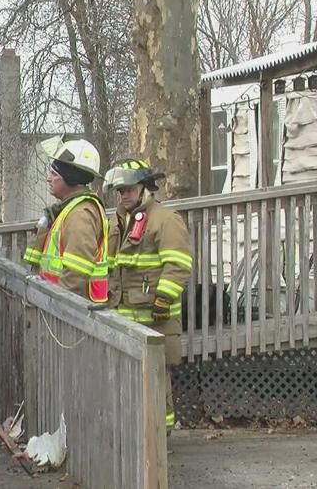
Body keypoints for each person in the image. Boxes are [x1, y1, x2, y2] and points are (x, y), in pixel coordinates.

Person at [103, 158, 192, 433]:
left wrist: (163, 298)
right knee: (126, 382)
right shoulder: (117, 222)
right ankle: (134, 435)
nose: (124, 195)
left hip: (155, 321)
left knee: (156, 381)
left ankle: (159, 439)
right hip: (123, 319)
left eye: (128, 189)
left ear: (145, 189)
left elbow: (178, 264)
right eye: (120, 191)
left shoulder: (165, 220)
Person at [22, 139, 109, 302]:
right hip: (53, 305)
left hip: (66, 313)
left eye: (54, 174)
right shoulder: (69, 208)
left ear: (70, 178)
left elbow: (75, 275)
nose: (49, 179)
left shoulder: (80, 214)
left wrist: (58, 305)